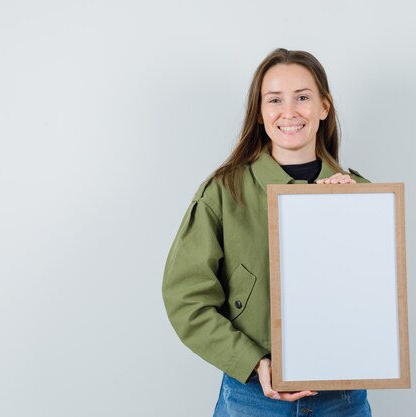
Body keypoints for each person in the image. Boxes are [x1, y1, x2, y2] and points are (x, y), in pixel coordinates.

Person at [162, 48, 372, 417]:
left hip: (342, 400)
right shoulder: (225, 193)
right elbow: (186, 300)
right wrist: (253, 361)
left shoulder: (362, 194)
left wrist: (348, 213)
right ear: (260, 113)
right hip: (252, 399)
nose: (289, 112)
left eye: (303, 97)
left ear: (324, 106)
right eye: (274, 100)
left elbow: (377, 298)